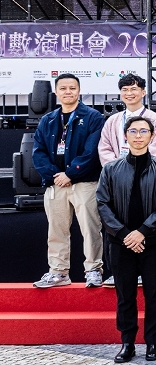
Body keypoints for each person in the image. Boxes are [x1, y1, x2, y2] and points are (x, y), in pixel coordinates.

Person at [96, 116, 156, 363]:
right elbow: (102, 204)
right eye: (133, 131)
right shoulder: (110, 169)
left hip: (152, 241)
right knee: (125, 294)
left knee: (154, 294)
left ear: (152, 135)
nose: (138, 136)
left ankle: (153, 343)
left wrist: (142, 231)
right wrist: (124, 234)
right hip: (120, 242)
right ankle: (127, 343)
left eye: (143, 131)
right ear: (125, 135)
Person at [32, 74, 106, 289]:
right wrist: (56, 174)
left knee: (90, 228)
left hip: (85, 182)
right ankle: (58, 271)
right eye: (63, 88)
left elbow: (92, 152)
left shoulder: (93, 117)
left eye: (72, 88)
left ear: (79, 90)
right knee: (56, 230)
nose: (68, 92)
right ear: (56, 92)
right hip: (56, 183)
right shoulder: (48, 120)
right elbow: (38, 152)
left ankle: (93, 270)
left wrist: (71, 174)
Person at [98, 73, 156, 165]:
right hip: (116, 171)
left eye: (133, 89)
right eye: (125, 90)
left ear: (143, 93)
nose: (129, 93)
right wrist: (116, 168)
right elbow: (104, 149)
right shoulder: (112, 121)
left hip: (145, 171)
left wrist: (135, 168)